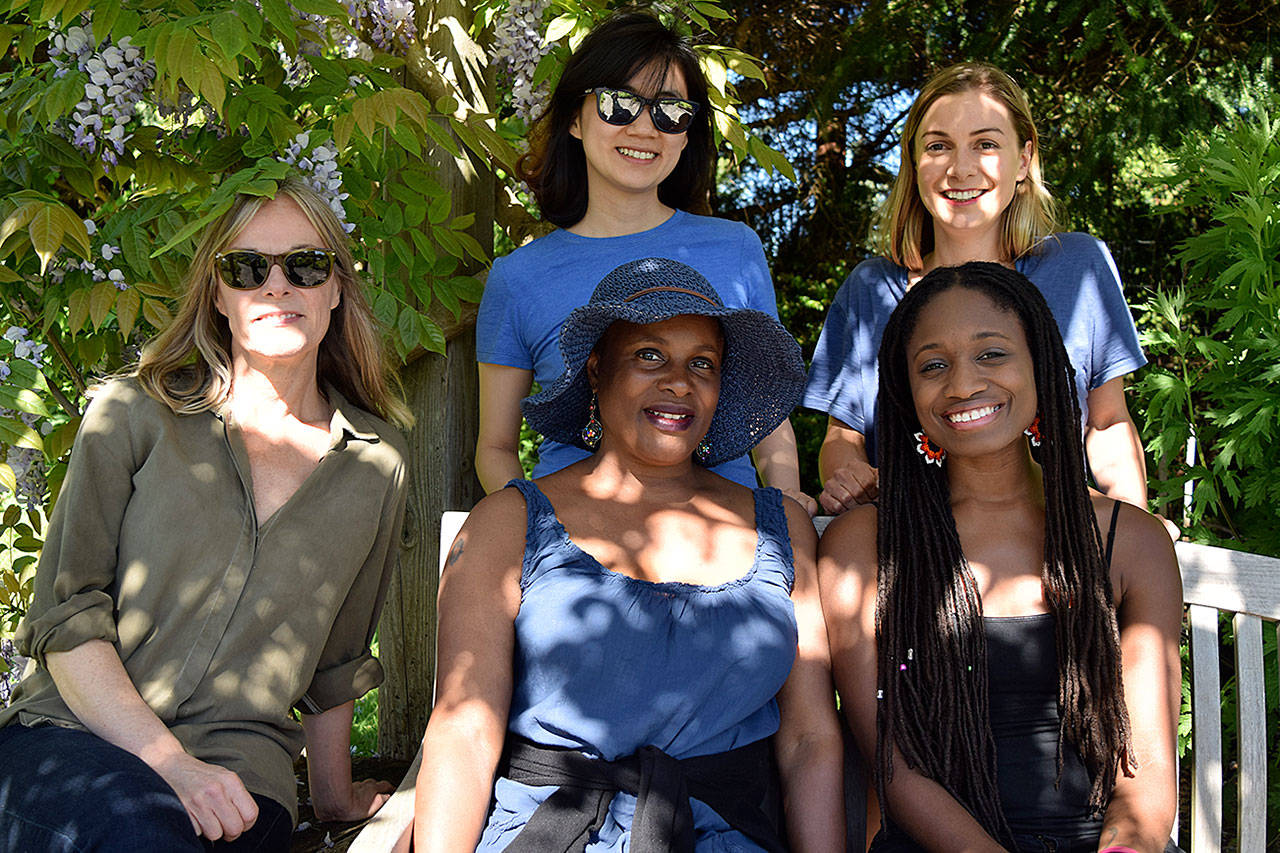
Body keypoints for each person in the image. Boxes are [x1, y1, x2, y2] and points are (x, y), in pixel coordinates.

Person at [0, 178, 410, 850]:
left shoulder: (376, 461)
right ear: (218, 294)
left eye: (304, 264)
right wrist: (171, 764)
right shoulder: (133, 414)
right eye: (247, 268)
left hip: (239, 769)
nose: (277, 287)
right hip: (71, 736)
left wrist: (334, 799)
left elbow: (336, 658)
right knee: (138, 832)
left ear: (335, 287)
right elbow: (67, 619)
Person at [413, 258, 844, 852]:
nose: (678, 381)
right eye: (649, 355)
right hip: (552, 837)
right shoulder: (507, 524)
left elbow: (809, 741)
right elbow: (463, 731)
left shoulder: (782, 528)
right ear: (597, 370)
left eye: (703, 364)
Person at [818, 262, 1181, 852]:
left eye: (992, 354)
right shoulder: (863, 547)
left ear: (1040, 365)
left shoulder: (1130, 542)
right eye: (933, 365)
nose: (962, 384)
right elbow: (898, 774)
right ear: (906, 395)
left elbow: (1145, 785)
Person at [476, 10, 813, 513]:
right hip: (578, 539)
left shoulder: (737, 248)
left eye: (671, 112)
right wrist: (540, 530)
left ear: (687, 132)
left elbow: (767, 417)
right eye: (618, 103)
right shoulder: (518, 277)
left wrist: (783, 498)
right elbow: (495, 448)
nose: (644, 127)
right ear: (574, 116)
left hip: (726, 533)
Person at [804, 62, 1148, 517]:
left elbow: (1106, 423)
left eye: (985, 144)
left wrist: (1132, 527)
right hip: (919, 551)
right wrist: (850, 476)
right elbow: (843, 437)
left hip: (1055, 545)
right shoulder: (870, 289)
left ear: (1023, 160)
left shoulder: (1077, 268)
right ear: (914, 161)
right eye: (938, 146)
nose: (960, 169)